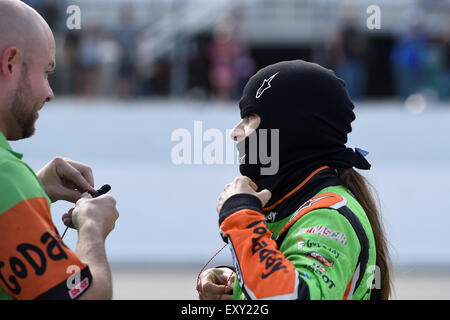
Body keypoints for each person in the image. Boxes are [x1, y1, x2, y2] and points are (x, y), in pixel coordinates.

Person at [197, 60, 391, 300]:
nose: (235, 132)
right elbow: (283, 276)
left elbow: (293, 296)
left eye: (250, 118)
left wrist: (240, 217)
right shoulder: (292, 205)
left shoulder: (329, 216)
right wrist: (236, 285)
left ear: (292, 128)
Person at [0, 0, 118, 300]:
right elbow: (86, 297)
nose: (49, 92)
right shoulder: (6, 176)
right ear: (10, 63)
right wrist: (92, 227)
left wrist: (36, 190)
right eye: (46, 72)